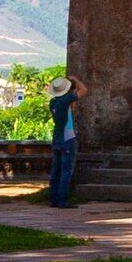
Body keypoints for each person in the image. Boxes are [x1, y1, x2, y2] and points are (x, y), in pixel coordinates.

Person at [46, 74, 82, 208]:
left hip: (57, 138)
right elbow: (83, 90)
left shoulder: (53, 103)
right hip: (68, 138)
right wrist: (75, 79)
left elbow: (70, 109)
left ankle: (53, 199)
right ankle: (63, 200)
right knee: (66, 171)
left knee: (56, 171)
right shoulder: (66, 100)